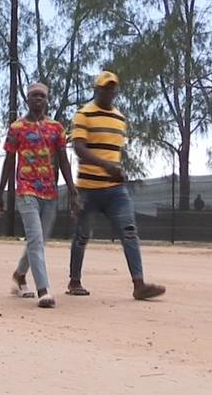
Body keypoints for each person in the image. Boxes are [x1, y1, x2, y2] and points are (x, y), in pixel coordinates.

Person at [67, 71, 166, 301]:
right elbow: (79, 148)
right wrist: (106, 166)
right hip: (89, 188)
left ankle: (139, 285)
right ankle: (74, 281)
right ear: (97, 89)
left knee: (129, 232)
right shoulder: (83, 115)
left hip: (115, 190)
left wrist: (116, 170)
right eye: (105, 88)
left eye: (113, 88)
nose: (109, 92)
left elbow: (114, 151)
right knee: (82, 235)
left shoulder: (120, 119)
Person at [0, 82, 77, 308]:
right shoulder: (17, 128)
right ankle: (44, 290)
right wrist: (1, 193)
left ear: (47, 100)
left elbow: (63, 160)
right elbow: (9, 161)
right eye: (34, 96)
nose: (38, 99)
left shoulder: (56, 128)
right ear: (28, 100)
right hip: (26, 190)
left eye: (42, 96)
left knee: (38, 240)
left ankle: (20, 275)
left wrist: (72, 190)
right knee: (35, 238)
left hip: (50, 191)